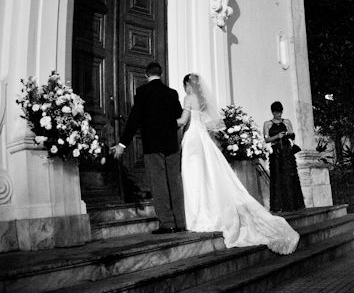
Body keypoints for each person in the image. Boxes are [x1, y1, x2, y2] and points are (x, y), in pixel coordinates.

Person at [177, 74, 299, 254]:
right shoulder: (202, 100)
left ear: (187, 84)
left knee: (195, 177)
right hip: (205, 141)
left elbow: (182, 121)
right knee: (210, 176)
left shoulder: (189, 98)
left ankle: (199, 215)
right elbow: (215, 124)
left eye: (186, 84)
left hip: (194, 141)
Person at [111, 62, 186, 234]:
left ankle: (168, 224)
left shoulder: (143, 92)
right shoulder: (172, 93)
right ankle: (180, 222)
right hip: (171, 144)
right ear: (161, 74)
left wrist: (123, 144)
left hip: (153, 145)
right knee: (174, 182)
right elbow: (179, 118)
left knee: (159, 183)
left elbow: (134, 119)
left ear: (146, 75)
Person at [263, 101, 305, 213]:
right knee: (277, 178)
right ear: (273, 112)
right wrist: (277, 136)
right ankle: (279, 206)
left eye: (280, 112)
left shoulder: (286, 121)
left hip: (286, 152)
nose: (279, 115)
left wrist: (289, 134)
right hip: (276, 153)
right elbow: (266, 139)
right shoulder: (267, 124)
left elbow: (292, 134)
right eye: (277, 113)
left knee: (289, 177)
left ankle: (293, 204)